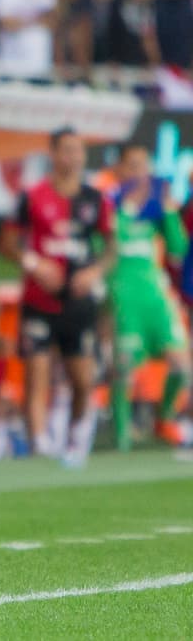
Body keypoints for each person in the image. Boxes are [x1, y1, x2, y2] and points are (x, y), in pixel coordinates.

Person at [0, 128, 113, 466]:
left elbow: (111, 249)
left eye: (78, 150)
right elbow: (7, 243)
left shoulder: (95, 200)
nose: (73, 157)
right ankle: (38, 446)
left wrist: (94, 272)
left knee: (82, 380)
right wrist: (35, 264)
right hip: (39, 300)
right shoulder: (32, 196)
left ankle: (75, 439)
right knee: (37, 375)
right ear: (53, 153)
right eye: (66, 150)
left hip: (78, 302)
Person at [107, 144, 191, 449]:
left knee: (182, 366)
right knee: (125, 367)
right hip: (123, 297)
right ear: (119, 170)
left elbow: (179, 250)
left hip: (155, 295)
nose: (140, 174)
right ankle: (122, 439)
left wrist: (169, 211)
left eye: (145, 167)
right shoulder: (109, 206)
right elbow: (107, 245)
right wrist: (127, 207)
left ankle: (163, 419)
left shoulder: (157, 211)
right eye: (133, 166)